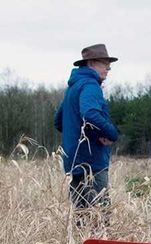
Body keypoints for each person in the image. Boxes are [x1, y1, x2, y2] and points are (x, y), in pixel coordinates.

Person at [54, 44, 119, 213]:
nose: (108, 68)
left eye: (109, 64)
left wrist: (82, 135)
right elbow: (90, 114)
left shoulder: (73, 87)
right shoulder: (90, 86)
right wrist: (111, 133)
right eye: (104, 63)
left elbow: (59, 121)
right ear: (91, 63)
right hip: (92, 164)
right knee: (100, 217)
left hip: (74, 164)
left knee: (82, 218)